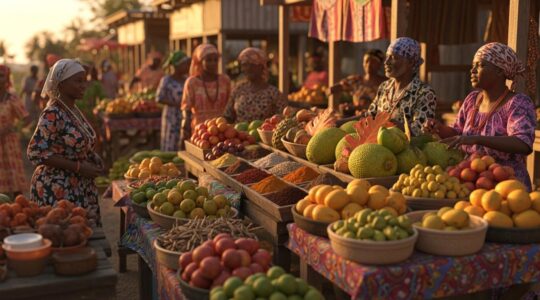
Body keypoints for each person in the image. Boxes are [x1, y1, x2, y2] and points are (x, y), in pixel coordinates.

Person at [435, 43, 536, 190]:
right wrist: (438, 128)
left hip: (506, 184)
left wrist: (477, 139)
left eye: (480, 65)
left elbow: (522, 144)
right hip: (471, 180)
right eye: (472, 65)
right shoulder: (472, 100)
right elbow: (458, 132)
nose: (473, 70)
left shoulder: (518, 103)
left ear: (500, 71)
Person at [27, 59, 103, 224]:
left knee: (84, 234)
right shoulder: (52, 113)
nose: (84, 85)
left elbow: (73, 144)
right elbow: (35, 152)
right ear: (60, 84)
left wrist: (91, 157)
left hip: (78, 184)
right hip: (58, 189)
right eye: (78, 81)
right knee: (67, 234)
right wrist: (79, 167)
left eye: (85, 81)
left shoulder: (72, 109)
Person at [338, 37, 437, 136]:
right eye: (387, 57)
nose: (386, 62)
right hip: (378, 148)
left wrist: (388, 123)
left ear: (410, 62)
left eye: (393, 57)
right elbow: (369, 116)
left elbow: (421, 132)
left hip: (407, 150)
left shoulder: (425, 94)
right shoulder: (384, 87)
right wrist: (337, 123)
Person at [181, 44, 231, 140]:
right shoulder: (192, 82)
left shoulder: (225, 80)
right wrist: (184, 128)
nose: (213, 63)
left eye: (215, 60)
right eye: (208, 60)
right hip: (200, 132)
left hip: (221, 131)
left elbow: (230, 106)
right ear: (200, 62)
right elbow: (186, 108)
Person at [224, 47, 287, 123]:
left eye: (252, 64)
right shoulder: (238, 89)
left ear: (262, 66)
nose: (248, 68)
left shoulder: (274, 93)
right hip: (238, 134)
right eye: (244, 65)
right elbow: (228, 116)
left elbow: (283, 120)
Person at [0, 65, 30, 196]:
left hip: (8, 142)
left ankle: (19, 207)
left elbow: (26, 118)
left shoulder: (11, 98)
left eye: (1, 76)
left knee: (13, 175)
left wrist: (12, 128)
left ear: (7, 78)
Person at [156, 51, 191, 151]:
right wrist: (177, 104)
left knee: (184, 143)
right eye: (185, 64)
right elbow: (159, 98)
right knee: (170, 144)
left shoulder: (187, 80)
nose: (187, 66)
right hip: (172, 117)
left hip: (185, 116)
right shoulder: (166, 80)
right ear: (177, 66)